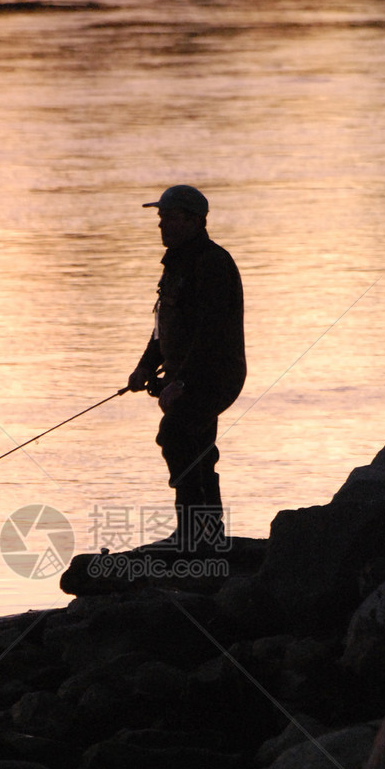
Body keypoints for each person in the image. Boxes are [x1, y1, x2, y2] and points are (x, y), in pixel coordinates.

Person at [127, 184, 246, 550]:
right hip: (186, 376)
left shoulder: (211, 262)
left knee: (180, 437)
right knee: (188, 442)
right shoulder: (177, 262)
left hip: (214, 374)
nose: (163, 226)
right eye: (161, 218)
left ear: (197, 221)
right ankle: (200, 534)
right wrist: (145, 368)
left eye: (171, 218)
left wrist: (182, 381)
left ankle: (200, 535)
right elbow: (164, 328)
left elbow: (210, 330)